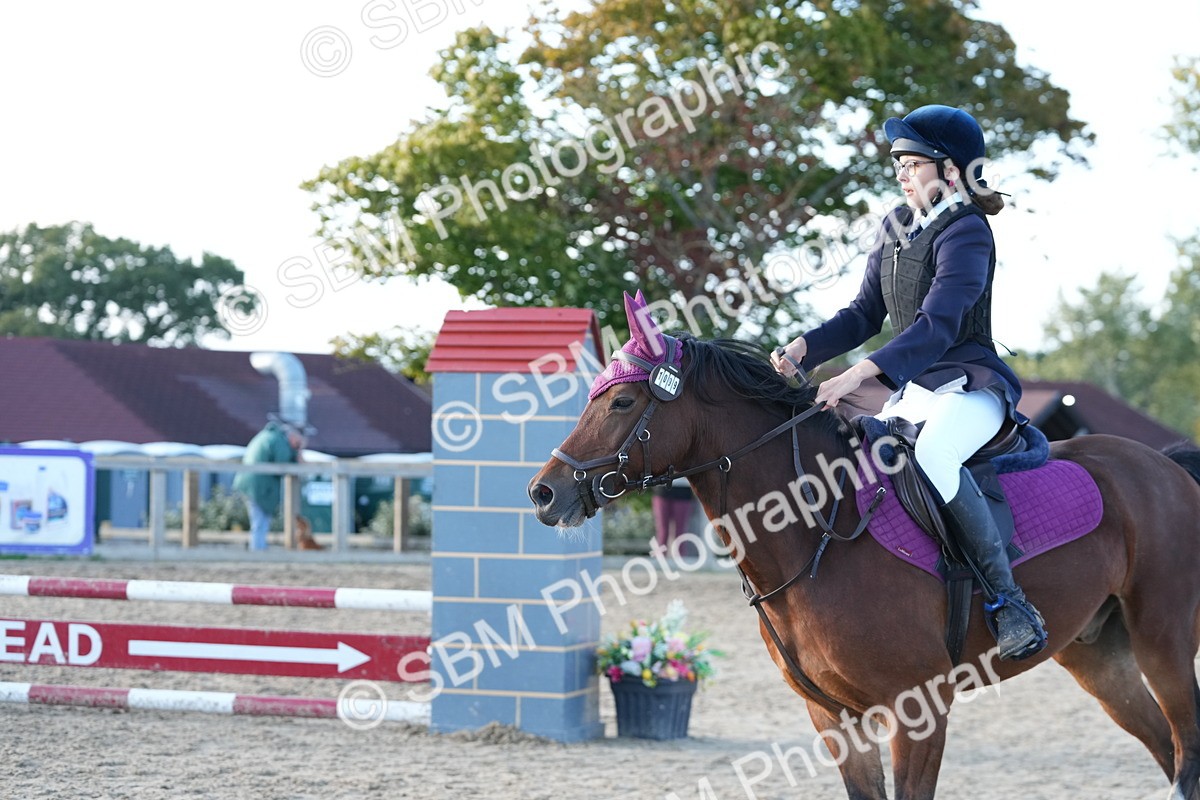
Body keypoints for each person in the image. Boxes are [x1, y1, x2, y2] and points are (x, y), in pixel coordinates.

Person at [770, 104, 1047, 661]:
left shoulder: (968, 231)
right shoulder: (895, 225)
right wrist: (805, 346)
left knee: (935, 456)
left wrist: (857, 372)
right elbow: (863, 314)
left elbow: (937, 325)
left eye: (912, 163)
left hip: (970, 384)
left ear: (950, 171)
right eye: (897, 162)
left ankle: (1010, 602)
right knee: (824, 425)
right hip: (912, 389)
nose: (900, 173)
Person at [233, 419, 308, 551]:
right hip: (258, 486)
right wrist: (298, 451)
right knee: (260, 521)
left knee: (260, 520)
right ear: (293, 437)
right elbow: (284, 464)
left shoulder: (270, 436)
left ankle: (259, 548)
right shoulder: (280, 442)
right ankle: (258, 550)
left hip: (252, 483)